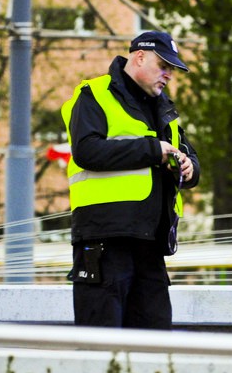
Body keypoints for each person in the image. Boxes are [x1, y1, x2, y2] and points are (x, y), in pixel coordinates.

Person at [60, 30, 200, 329]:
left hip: (150, 244)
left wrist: (188, 168)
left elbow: (190, 159)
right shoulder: (94, 94)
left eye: (172, 69)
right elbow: (86, 151)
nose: (169, 75)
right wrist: (153, 150)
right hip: (104, 239)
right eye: (164, 66)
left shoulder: (165, 110)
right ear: (139, 57)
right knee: (102, 343)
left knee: (154, 344)